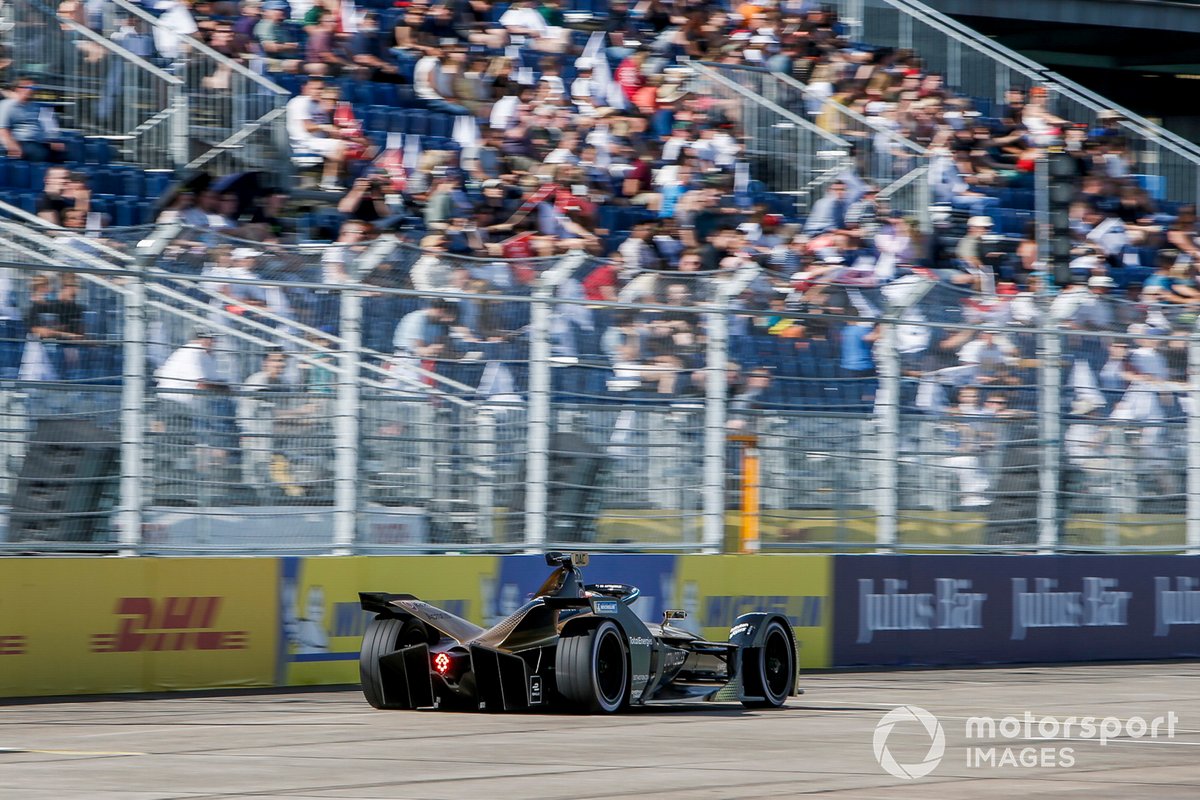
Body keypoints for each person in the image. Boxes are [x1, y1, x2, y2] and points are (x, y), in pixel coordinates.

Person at [285, 78, 347, 191]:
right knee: (339, 146)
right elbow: (307, 127)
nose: (318, 91)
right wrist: (325, 127)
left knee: (347, 146)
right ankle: (329, 183)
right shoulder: (300, 102)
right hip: (304, 142)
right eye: (315, 88)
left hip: (318, 142)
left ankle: (340, 181)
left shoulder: (320, 104)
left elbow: (330, 128)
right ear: (306, 88)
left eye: (321, 89)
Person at [0, 76, 63, 162]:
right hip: (21, 142)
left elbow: (48, 126)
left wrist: (52, 139)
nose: (30, 90)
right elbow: (2, 130)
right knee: (39, 153)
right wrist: (12, 145)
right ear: (18, 88)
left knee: (67, 152)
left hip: (40, 142)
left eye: (33, 87)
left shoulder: (37, 106)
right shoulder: (7, 105)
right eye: (27, 87)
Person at [154, 329, 223, 405]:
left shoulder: (207, 355)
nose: (212, 342)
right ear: (198, 340)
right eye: (207, 338)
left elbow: (213, 383)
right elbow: (202, 386)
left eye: (213, 339)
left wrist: (221, 387)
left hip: (185, 404)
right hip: (172, 403)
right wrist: (222, 388)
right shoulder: (193, 351)